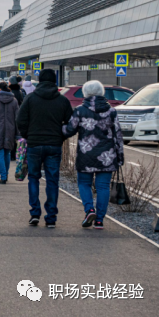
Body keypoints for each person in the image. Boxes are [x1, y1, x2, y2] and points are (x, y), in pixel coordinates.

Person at [62, 80, 124, 230]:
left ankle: (89, 210)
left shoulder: (80, 110)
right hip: (107, 155)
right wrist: (120, 157)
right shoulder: (112, 111)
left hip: (86, 154)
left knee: (84, 184)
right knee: (103, 187)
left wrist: (56, 127)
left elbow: (69, 130)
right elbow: (118, 135)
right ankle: (99, 220)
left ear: (85, 92)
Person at [16, 69, 73, 228]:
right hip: (54, 145)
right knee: (52, 181)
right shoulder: (62, 100)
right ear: (55, 81)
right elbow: (71, 124)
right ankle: (51, 217)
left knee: (33, 178)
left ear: (39, 81)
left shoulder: (30, 98)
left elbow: (20, 120)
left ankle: (35, 213)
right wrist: (61, 136)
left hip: (34, 144)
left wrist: (28, 134)